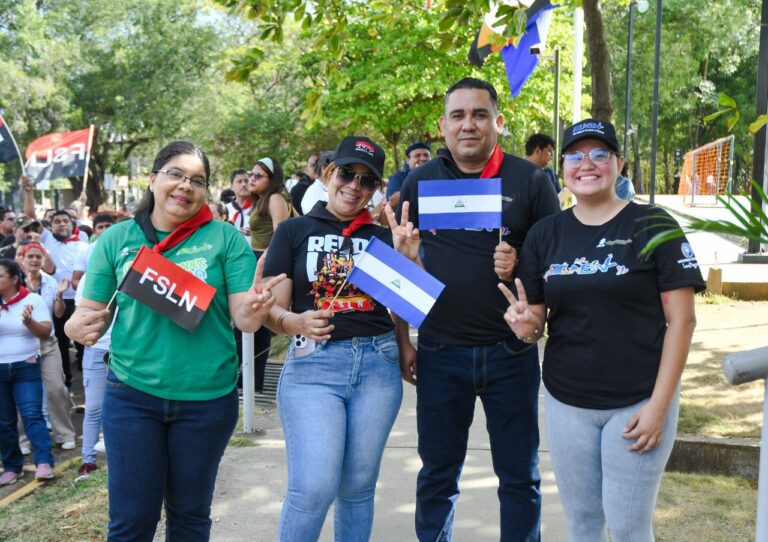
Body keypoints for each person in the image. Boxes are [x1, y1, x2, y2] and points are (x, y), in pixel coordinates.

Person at [64, 140, 284, 540]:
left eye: (197, 180)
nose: (186, 186)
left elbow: (245, 319)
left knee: (189, 517)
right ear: (153, 180)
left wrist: (255, 309)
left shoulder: (225, 239)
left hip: (207, 402)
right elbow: (87, 311)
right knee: (131, 522)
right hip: (132, 397)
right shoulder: (116, 239)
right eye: (176, 175)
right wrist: (74, 327)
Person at [505, 119, 705, 542]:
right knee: (583, 523)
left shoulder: (653, 224)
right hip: (568, 402)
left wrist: (659, 406)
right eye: (575, 156)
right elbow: (536, 321)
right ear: (562, 166)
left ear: (619, 163)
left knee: (628, 525)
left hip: (637, 401)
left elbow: (683, 321)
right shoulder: (545, 233)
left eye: (599, 154)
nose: (587, 164)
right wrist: (526, 327)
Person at [396, 77, 560, 542]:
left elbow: (556, 264)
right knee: (437, 475)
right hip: (440, 353)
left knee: (520, 477)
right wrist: (404, 339)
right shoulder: (420, 181)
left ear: (498, 122)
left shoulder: (531, 181)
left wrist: (520, 260)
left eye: (479, 114)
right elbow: (402, 270)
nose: (468, 124)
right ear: (443, 126)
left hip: (510, 353)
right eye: (458, 115)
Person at [262, 136, 403, 541]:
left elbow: (407, 307)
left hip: (378, 364)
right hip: (314, 366)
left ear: (375, 189)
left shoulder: (383, 236)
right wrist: (295, 322)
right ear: (328, 174)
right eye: (346, 173)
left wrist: (409, 257)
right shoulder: (293, 231)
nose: (354, 186)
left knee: (358, 488)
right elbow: (272, 310)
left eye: (367, 180)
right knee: (313, 487)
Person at [0, 259, 56, 485]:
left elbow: (46, 332)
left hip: (26, 365)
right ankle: (12, 467)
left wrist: (29, 322)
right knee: (4, 421)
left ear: (15, 279)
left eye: (0, 276)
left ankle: (44, 463)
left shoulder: (32, 300)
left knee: (32, 415)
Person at [18, 243, 77, 451]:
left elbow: (58, 314)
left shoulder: (50, 282)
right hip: (22, 342)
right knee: (21, 393)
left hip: (47, 343)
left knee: (57, 389)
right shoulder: (14, 282)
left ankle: (64, 434)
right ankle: (23, 440)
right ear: (22, 259)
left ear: (43, 260)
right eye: (30, 256)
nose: (34, 260)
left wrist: (60, 295)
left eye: (38, 256)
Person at [246, 157, 292, 392]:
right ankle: (249, 382)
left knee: (259, 323)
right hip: (258, 259)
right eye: (250, 174)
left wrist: (264, 262)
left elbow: (279, 235)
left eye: (258, 175)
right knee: (253, 324)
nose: (251, 179)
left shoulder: (274, 198)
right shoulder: (264, 199)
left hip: (265, 263)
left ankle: (252, 383)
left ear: (272, 179)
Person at [386, 141, 432, 207]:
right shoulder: (399, 177)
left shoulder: (438, 175)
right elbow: (392, 202)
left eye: (426, 155)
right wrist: (417, 177)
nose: (423, 158)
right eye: (417, 155)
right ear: (408, 160)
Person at [225, 168, 252, 236]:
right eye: (239, 181)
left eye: (246, 181)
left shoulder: (259, 207)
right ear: (232, 186)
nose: (243, 184)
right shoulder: (226, 209)